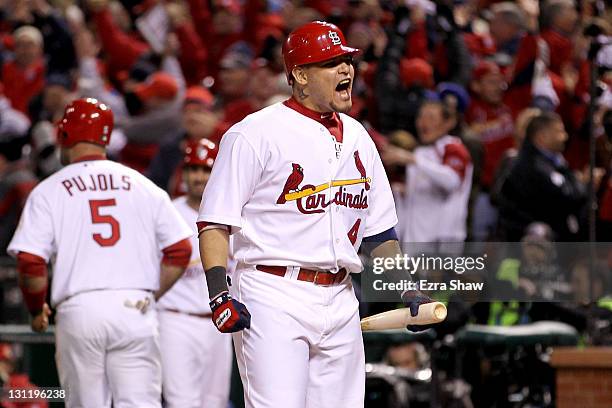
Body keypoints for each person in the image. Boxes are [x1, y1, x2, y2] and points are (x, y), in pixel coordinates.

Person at [196, 21, 434, 408]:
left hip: (341, 295)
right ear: (301, 76)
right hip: (272, 291)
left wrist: (404, 285)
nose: (345, 70)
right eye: (331, 63)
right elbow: (214, 223)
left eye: (346, 61)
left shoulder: (359, 136)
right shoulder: (254, 133)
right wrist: (218, 293)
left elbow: (378, 235)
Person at [7, 98, 192, 407]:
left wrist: (36, 309)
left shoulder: (49, 189)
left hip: (81, 309)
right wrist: (149, 295)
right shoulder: (142, 184)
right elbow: (180, 250)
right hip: (135, 306)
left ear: (64, 135)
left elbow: (30, 261)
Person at [157, 139, 232, 408]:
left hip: (220, 322)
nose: (199, 176)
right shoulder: (167, 212)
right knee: (181, 401)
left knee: (216, 401)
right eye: (193, 169)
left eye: (205, 169)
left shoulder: (232, 214)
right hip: (176, 319)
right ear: (184, 173)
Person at [384, 100, 473, 244]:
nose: (423, 122)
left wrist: (413, 159)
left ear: (448, 122)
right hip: (414, 239)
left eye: (431, 117)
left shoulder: (453, 147)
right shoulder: (420, 152)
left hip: (442, 239)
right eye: (420, 117)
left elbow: (452, 181)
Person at [498, 111, 587, 241]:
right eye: (559, 132)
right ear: (542, 137)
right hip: (528, 245)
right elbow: (569, 197)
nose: (565, 136)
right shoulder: (531, 165)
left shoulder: (553, 161)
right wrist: (582, 184)